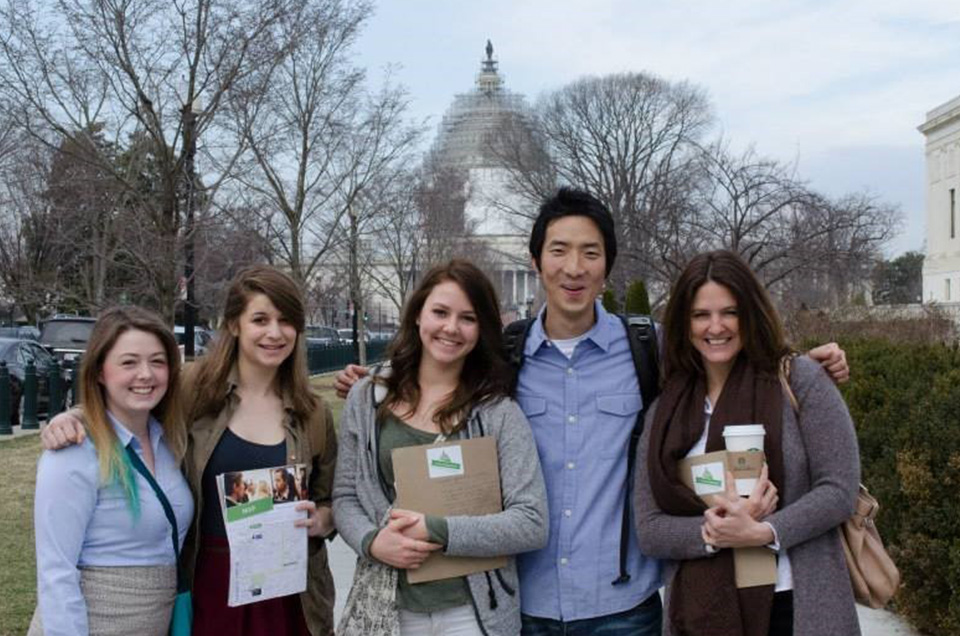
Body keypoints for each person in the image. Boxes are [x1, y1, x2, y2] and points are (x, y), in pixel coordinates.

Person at [334, 188, 850, 636]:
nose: (574, 267)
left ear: (607, 266)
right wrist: (374, 382)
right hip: (524, 605)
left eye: (590, 252)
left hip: (622, 606)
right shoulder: (503, 363)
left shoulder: (650, 352)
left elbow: (721, 350)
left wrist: (803, 362)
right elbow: (439, 367)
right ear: (536, 261)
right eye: (559, 251)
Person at [42, 265, 338, 636]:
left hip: (288, 591)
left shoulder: (313, 412)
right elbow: (130, 400)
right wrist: (74, 417)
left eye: (286, 320)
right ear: (233, 324)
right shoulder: (193, 390)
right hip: (207, 584)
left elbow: (331, 498)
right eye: (260, 319)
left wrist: (322, 521)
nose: (274, 333)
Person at [634, 250, 861, 636]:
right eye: (701, 314)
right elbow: (649, 527)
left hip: (797, 605)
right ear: (683, 324)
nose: (716, 326)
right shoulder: (665, 411)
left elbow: (839, 488)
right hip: (701, 611)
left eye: (730, 312)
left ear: (750, 314)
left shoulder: (801, 381)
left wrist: (763, 532)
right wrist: (714, 532)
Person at [333, 259, 548, 636]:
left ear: (482, 329)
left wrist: (438, 530)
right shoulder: (367, 399)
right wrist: (372, 541)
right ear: (418, 315)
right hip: (390, 605)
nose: (451, 328)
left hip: (473, 612)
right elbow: (346, 495)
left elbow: (531, 522)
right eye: (440, 312)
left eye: (468, 318)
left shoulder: (498, 413)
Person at [31, 306, 194, 636]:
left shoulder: (168, 440)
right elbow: (56, 574)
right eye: (129, 362)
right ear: (100, 372)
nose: (146, 374)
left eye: (157, 361)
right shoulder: (73, 453)